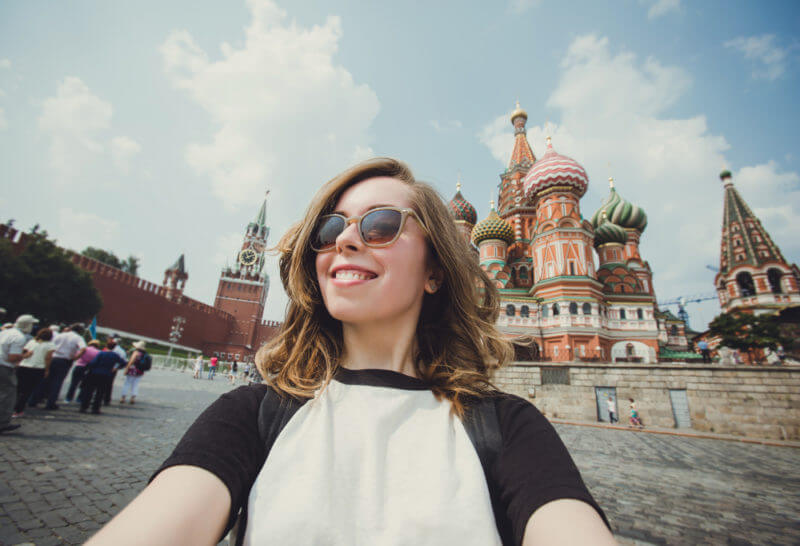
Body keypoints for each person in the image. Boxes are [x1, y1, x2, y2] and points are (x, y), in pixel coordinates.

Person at [87, 158, 614, 545]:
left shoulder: (505, 429)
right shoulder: (254, 416)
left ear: (435, 269)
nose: (345, 240)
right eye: (329, 227)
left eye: (381, 225)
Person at [0, 314, 38, 433]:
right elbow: (12, 358)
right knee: (8, 396)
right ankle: (2, 423)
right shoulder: (19, 337)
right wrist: (25, 355)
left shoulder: (6, 332)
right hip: (4, 367)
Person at [14, 327, 55, 417]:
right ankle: (18, 410)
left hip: (24, 366)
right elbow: (48, 359)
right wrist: (47, 370)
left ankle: (11, 407)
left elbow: (24, 352)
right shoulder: (50, 345)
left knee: (18, 389)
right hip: (38, 368)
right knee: (27, 391)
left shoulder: (32, 342)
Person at [45, 323, 87, 409]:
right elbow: (83, 348)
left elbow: (51, 344)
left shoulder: (61, 335)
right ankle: (50, 403)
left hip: (54, 357)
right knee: (57, 382)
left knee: (46, 379)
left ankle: (34, 400)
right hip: (65, 360)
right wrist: (76, 357)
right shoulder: (78, 338)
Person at [81, 340, 128, 414]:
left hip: (94, 373)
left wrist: (89, 368)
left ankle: (84, 407)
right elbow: (124, 363)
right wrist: (116, 368)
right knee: (100, 393)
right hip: (106, 375)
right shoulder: (115, 355)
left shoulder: (101, 353)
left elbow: (93, 362)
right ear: (114, 347)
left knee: (89, 391)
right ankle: (95, 409)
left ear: (106, 346)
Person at [106, 335, 127, 405]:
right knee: (106, 384)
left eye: (109, 339)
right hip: (109, 368)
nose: (108, 340)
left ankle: (106, 399)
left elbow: (122, 362)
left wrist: (116, 368)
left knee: (107, 384)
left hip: (111, 369)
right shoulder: (120, 350)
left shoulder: (118, 350)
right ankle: (105, 399)